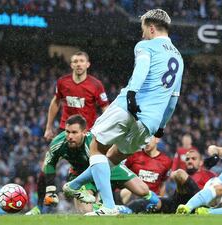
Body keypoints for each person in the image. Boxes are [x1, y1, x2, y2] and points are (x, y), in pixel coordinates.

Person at [63, 8, 184, 216]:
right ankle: (75, 184)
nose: (142, 33)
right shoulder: (179, 59)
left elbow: (142, 68)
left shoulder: (145, 46)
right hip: (151, 122)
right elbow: (173, 100)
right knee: (113, 158)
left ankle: (109, 206)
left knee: (96, 149)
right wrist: (162, 126)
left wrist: (132, 94)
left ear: (152, 28)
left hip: (128, 106)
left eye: (143, 29)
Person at [26, 115, 158, 215]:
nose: (69, 136)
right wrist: (50, 190)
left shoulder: (94, 141)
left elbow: (111, 158)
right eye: (67, 131)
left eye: (74, 132)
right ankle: (107, 208)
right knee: (86, 211)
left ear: (84, 132)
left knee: (143, 190)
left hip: (107, 166)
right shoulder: (58, 143)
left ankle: (158, 205)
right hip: (80, 174)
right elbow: (49, 164)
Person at [44, 51, 109, 141]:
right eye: (75, 61)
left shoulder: (96, 85)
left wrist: (106, 129)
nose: (78, 64)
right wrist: (48, 127)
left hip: (87, 131)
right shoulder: (62, 82)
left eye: (82, 61)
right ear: (71, 65)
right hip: (65, 130)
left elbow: (105, 107)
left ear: (88, 64)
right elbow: (55, 102)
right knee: (54, 154)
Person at [126, 149, 216, 213]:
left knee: (180, 173)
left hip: (198, 204)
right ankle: (124, 210)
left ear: (201, 162)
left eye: (193, 158)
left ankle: (199, 206)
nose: (189, 161)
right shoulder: (185, 176)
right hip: (176, 203)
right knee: (152, 201)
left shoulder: (209, 175)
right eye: (187, 159)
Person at [120, 137, 172, 204]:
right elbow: (122, 175)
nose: (146, 142)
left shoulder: (167, 161)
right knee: (126, 192)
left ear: (157, 139)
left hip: (151, 199)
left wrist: (159, 201)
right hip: (133, 197)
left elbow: (162, 184)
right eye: (144, 139)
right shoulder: (133, 155)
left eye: (149, 139)